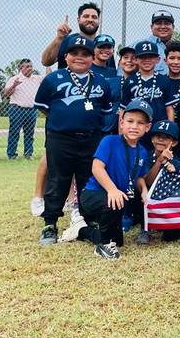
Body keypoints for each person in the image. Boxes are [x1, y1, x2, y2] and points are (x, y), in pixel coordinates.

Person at [34, 36, 113, 245]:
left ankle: (88, 220)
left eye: (85, 54)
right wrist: (64, 120)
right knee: (57, 180)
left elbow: (105, 109)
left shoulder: (100, 81)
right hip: (61, 138)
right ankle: (50, 223)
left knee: (88, 180)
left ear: (92, 57)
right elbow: (43, 106)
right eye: (74, 53)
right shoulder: (54, 79)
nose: (79, 57)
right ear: (65, 56)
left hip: (91, 138)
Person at [60, 99, 154, 259]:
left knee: (118, 240)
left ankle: (80, 230)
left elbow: (137, 177)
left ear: (147, 128)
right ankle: (103, 247)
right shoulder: (110, 141)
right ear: (122, 123)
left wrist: (144, 189)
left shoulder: (143, 151)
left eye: (140, 123)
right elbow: (97, 167)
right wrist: (111, 189)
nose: (134, 126)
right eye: (130, 121)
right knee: (111, 225)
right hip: (93, 195)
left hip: (116, 200)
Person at [135, 119, 180, 244]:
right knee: (142, 192)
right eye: (158, 136)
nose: (161, 140)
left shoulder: (177, 161)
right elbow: (147, 182)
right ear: (152, 139)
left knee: (170, 237)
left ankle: (164, 224)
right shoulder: (145, 156)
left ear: (174, 142)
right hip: (146, 197)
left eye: (166, 137)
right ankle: (145, 230)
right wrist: (159, 161)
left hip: (167, 201)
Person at [120, 40, 176, 144]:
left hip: (159, 130)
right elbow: (123, 110)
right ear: (136, 59)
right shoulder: (130, 81)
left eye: (151, 57)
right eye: (142, 57)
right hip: (136, 129)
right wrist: (121, 135)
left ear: (158, 59)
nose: (147, 60)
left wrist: (170, 131)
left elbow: (169, 109)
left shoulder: (164, 80)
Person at [40, 2, 103, 69]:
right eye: (86, 16)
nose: (90, 20)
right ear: (78, 20)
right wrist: (59, 38)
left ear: (98, 21)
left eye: (94, 17)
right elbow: (46, 62)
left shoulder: (104, 45)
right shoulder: (68, 40)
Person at [4, 58, 43, 160]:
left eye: (31, 66)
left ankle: (28, 154)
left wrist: (47, 65)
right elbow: (6, 94)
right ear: (21, 68)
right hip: (17, 109)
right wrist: (14, 85)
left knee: (29, 133)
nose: (30, 68)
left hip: (31, 110)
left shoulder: (37, 78)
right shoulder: (14, 79)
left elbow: (49, 78)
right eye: (27, 66)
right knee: (14, 132)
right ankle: (12, 154)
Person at [134, 10, 176, 75]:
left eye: (167, 23)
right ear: (151, 27)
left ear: (173, 27)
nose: (163, 27)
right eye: (158, 23)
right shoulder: (137, 45)